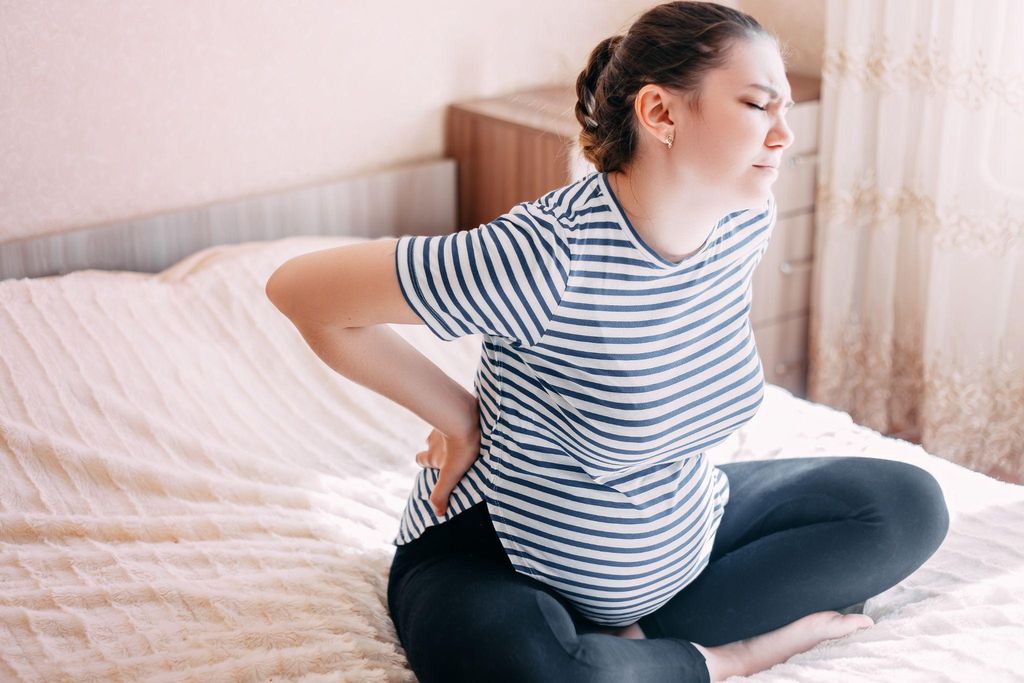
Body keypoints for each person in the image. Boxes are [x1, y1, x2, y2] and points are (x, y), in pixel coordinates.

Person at [265, 2, 951, 680]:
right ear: (660, 113)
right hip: (502, 557)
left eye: (785, 113)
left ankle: (634, 645)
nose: (783, 137)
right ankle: (713, 657)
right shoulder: (545, 256)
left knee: (906, 505)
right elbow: (300, 292)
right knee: (539, 670)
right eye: (757, 106)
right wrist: (461, 417)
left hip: (682, 527)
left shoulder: (742, 221)